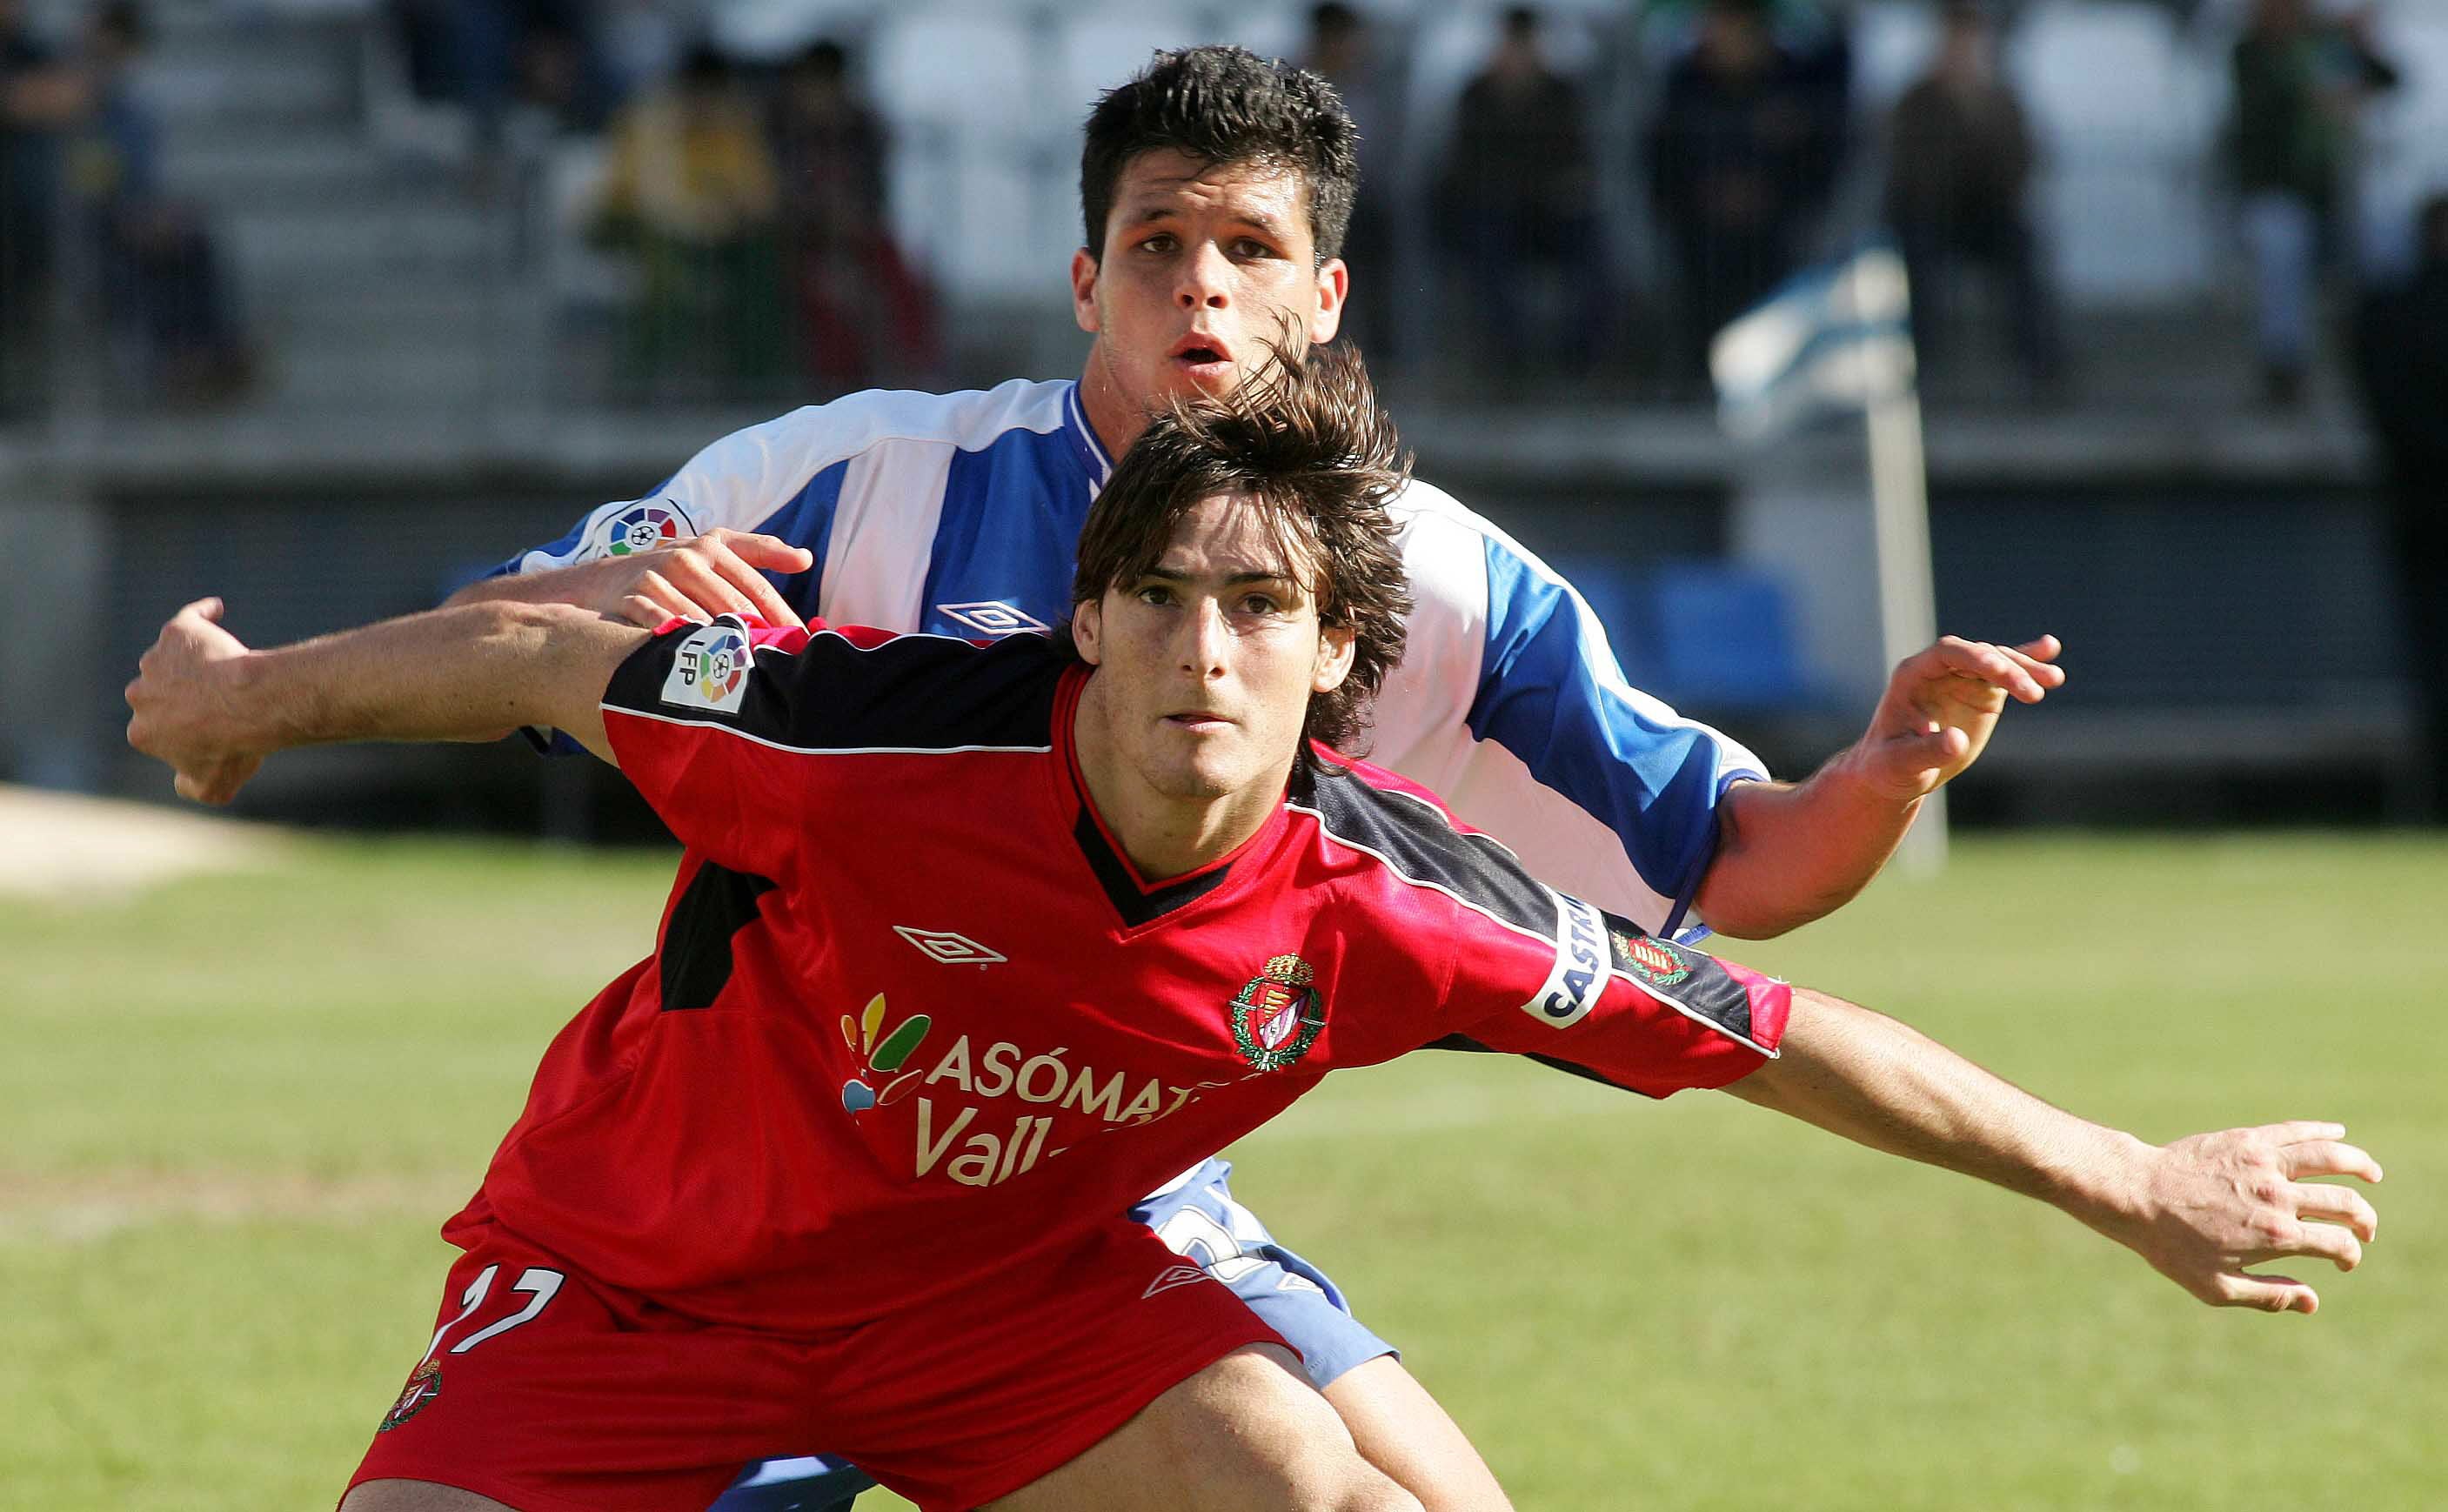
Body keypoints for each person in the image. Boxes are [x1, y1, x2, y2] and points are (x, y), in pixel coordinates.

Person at [125, 344, 2384, 1512]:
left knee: (1326, 1487)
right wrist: (241, 705)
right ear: (1085, 619)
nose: (1210, 648)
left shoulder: (1385, 891)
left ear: (1330, 666)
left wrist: (2125, 1177)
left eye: (1267, 610)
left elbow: (1756, 1023)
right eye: (1169, 597)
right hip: (647, 1281)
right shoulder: (864, 737)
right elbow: (541, 663)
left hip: (1012, 1308)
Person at [440, 43, 2067, 1512]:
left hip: (1101, 1198)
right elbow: (476, 643)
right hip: (756, 1201)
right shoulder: (850, 474)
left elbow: (1737, 867)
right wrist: (617, 603)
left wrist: (1878, 771)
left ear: (1328, 293)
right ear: (1086, 279)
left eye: (1246, 249)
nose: (1196, 291)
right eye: (1155, 247)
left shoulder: (1431, 578)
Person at [1646, 0, 1846, 383]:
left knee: (1780, 264)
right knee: (1695, 263)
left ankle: (1775, 375)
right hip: (1700, 216)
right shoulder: (1685, 81)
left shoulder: (1792, 78)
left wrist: (1768, 194)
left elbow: (1815, 159)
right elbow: (1665, 160)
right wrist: (1708, 195)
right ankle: (1698, 375)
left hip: (1776, 216)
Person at [1883, 1, 2063, 399]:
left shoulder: (2000, 102)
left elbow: (2016, 171)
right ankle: (1917, 362)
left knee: (2021, 244)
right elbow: (1915, 177)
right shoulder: (1916, 102)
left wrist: (1977, 117)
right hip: (1927, 219)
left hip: (1985, 219)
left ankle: (2039, 365)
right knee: (1916, 253)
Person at [2229, 0, 2398, 407]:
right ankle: (2284, 365)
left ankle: (2391, 353)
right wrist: (2319, 83)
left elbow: (2386, 80)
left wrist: (2360, 47)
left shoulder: (2325, 45)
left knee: (2386, 249)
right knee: (2281, 249)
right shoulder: (2250, 51)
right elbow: (2265, 103)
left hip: (2330, 196)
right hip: (2273, 192)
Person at [590, 43, 784, 393]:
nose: (706, 105)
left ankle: (753, 379)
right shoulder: (651, 120)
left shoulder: (733, 127)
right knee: (665, 275)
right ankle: (638, 379)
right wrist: (699, 213)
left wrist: (723, 212)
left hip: (709, 232)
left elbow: (758, 199)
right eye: (700, 95)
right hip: (633, 225)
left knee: (762, 261)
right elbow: (645, 196)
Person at [1432, 6, 1602, 377]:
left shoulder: (1561, 94)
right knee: (1488, 250)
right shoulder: (1476, 94)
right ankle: (1507, 362)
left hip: (1550, 217)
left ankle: (1579, 363)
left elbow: (1575, 163)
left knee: (1593, 252)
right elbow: (1463, 168)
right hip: (1494, 217)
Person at [2351, 191, 2448, 816]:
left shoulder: (2389, 310)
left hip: (2420, 508)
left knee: (2432, 658)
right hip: (2426, 513)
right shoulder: (2394, 309)